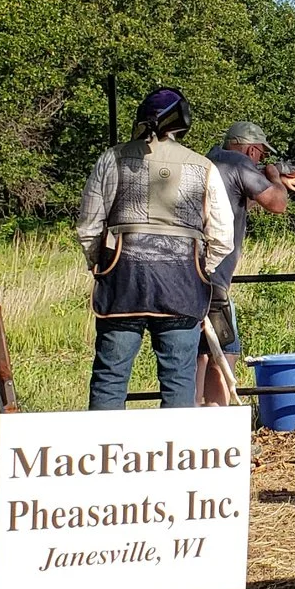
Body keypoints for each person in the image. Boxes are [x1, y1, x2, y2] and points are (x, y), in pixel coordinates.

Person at [77, 88, 236, 410]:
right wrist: (201, 270)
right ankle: (176, 455)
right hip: (182, 285)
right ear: (183, 122)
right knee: (179, 378)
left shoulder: (111, 158)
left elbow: (89, 226)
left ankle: (102, 456)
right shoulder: (203, 166)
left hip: (123, 284)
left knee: (110, 375)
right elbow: (222, 236)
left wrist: (102, 267)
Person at [198, 122, 295, 405]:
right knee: (224, 353)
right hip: (214, 281)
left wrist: (275, 182)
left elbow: (235, 203)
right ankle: (219, 430)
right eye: (260, 155)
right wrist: (273, 176)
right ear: (251, 149)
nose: (260, 160)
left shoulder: (207, 162)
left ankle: (198, 423)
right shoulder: (238, 163)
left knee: (199, 354)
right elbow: (278, 204)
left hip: (191, 275)